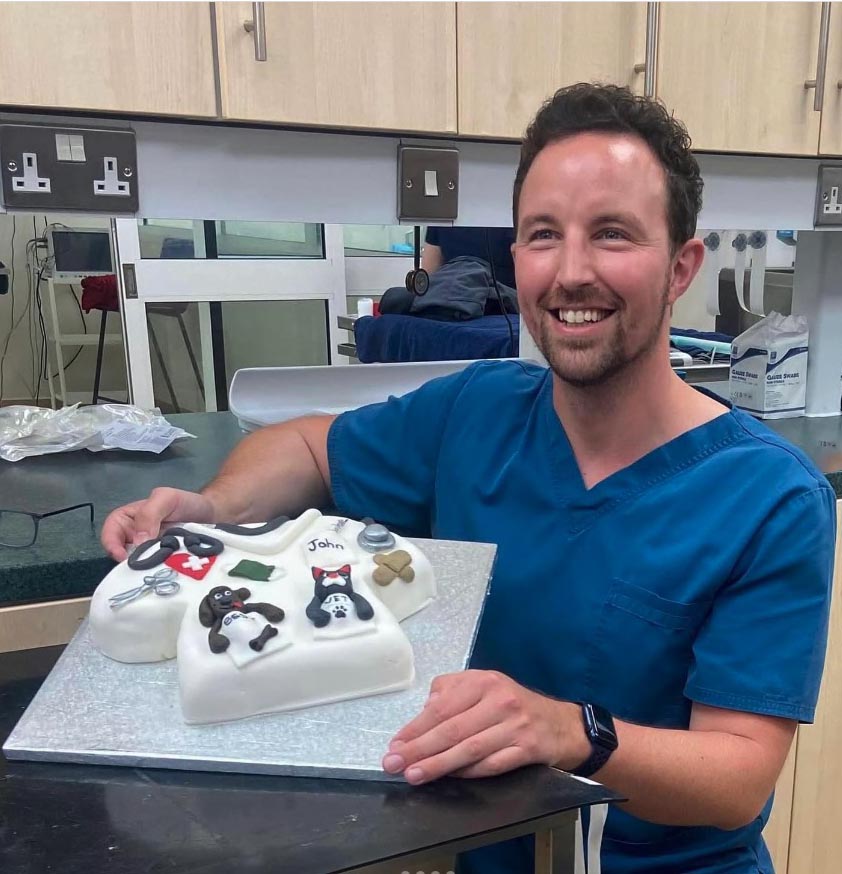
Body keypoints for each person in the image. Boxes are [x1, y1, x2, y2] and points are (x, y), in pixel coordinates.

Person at [102, 84, 835, 874]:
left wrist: (573, 731)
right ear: (515, 256)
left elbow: (735, 776)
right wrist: (210, 505)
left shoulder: (768, 497)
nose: (573, 271)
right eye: (543, 234)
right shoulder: (477, 413)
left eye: (614, 233)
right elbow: (311, 448)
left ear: (682, 265)